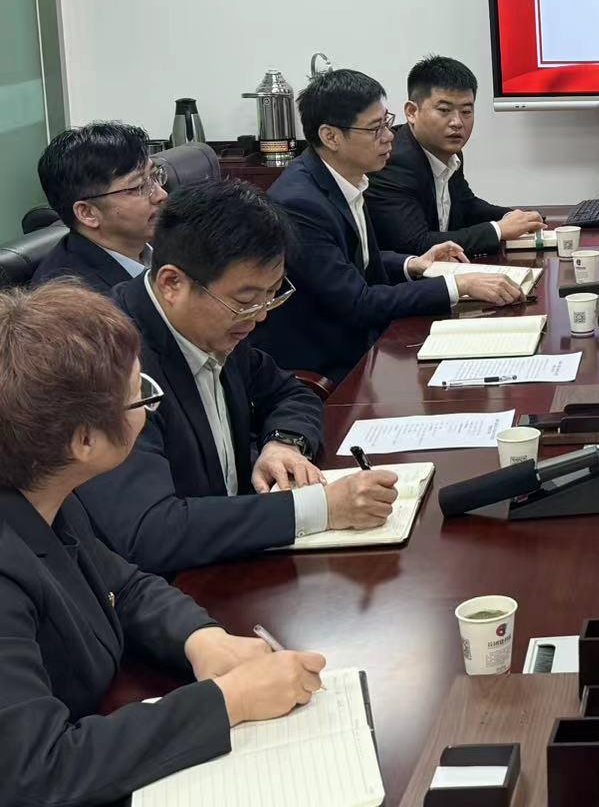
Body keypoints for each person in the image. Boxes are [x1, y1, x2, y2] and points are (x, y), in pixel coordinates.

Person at [0, 281, 329, 805]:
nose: (151, 408)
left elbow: (122, 586)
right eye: (139, 395)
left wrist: (201, 639)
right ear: (83, 440)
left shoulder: (44, 489)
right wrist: (228, 701)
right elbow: (38, 771)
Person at [80, 182, 399, 575]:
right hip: (172, 587)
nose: (260, 315)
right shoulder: (111, 363)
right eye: (246, 301)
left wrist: (283, 443)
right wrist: (322, 508)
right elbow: (151, 531)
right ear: (172, 283)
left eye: (272, 294)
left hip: (235, 556)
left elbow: (290, 392)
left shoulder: (215, 323)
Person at [249, 68, 524, 384]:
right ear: (330, 136)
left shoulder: (346, 179)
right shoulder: (301, 204)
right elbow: (357, 302)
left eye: (386, 122)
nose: (390, 135)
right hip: (330, 370)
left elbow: (354, 261)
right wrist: (457, 285)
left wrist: (413, 264)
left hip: (366, 348)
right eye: (375, 128)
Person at [367, 55, 545, 258]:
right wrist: (498, 229)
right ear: (412, 112)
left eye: (466, 111)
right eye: (444, 110)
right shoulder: (391, 161)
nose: (457, 122)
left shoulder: (450, 153)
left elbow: (466, 205)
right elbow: (415, 244)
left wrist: (514, 217)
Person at [31, 122, 167, 294]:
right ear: (87, 213)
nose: (161, 195)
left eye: (155, 176)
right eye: (139, 187)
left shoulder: (167, 239)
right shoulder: (72, 299)